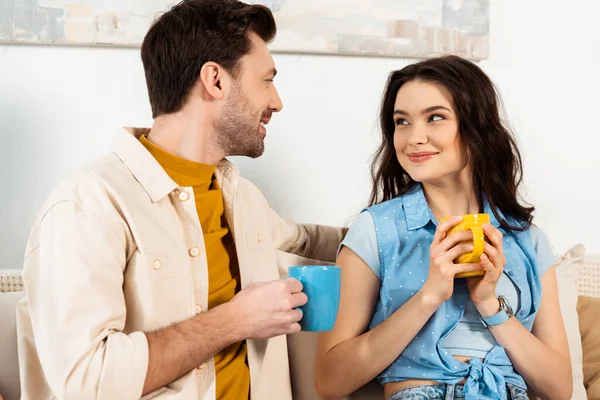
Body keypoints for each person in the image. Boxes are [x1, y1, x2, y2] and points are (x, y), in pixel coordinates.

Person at [16, 1, 345, 399]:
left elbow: (306, 242)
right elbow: (87, 380)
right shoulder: (89, 205)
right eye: (266, 80)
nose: (276, 101)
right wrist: (235, 320)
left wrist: (399, 225)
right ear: (215, 81)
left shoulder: (244, 199)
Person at [315, 56, 572, 400]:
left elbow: (559, 389)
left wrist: (490, 305)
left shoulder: (527, 240)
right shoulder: (376, 230)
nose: (414, 138)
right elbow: (330, 382)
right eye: (401, 122)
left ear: (476, 127)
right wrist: (429, 296)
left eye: (435, 117)